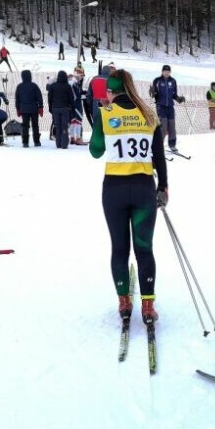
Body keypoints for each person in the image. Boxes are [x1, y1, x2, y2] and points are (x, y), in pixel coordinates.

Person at [89, 68, 169, 325]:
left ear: (111, 92)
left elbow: (95, 151)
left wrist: (103, 114)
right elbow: (159, 156)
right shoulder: (149, 114)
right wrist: (164, 186)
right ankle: (148, 305)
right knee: (144, 249)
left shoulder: (105, 113)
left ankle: (124, 302)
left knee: (120, 248)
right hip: (144, 188)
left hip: (114, 190)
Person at [149, 64, 185, 152]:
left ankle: (172, 145)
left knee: (172, 126)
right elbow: (153, 94)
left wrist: (179, 99)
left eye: (168, 71)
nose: (166, 73)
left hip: (170, 107)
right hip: (160, 106)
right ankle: (158, 146)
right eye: (165, 71)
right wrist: (152, 92)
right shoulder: (157, 80)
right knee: (163, 127)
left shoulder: (173, 81)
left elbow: (174, 95)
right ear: (162, 71)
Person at [14, 69, 44, 147]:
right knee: (35, 125)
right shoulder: (34, 85)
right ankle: (37, 141)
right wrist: (40, 107)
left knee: (25, 126)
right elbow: (39, 97)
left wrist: (18, 108)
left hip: (24, 109)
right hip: (34, 109)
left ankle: (25, 142)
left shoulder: (19, 86)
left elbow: (17, 99)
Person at [47, 70, 76, 149]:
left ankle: (58, 144)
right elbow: (71, 98)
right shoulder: (67, 86)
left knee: (57, 125)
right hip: (65, 109)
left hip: (55, 108)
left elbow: (49, 98)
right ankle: (64, 144)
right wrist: (72, 109)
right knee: (64, 126)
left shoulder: (53, 86)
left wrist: (50, 107)